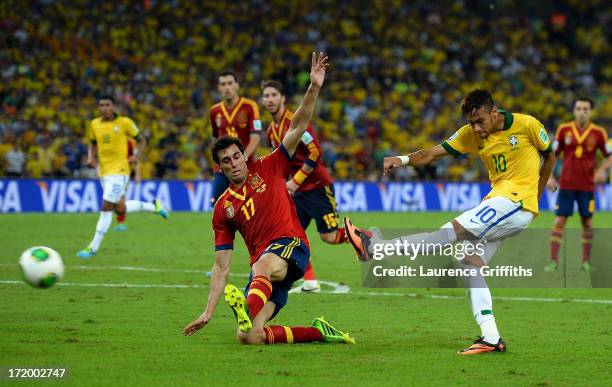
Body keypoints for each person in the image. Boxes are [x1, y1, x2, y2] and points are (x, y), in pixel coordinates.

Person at [344, 89, 556, 355]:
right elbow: (432, 154)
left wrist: (535, 194)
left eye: (480, 121)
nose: (476, 128)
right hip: (501, 203)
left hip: (512, 203)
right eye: (471, 122)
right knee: (470, 264)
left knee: (450, 233)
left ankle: (375, 247)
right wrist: (402, 159)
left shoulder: (527, 124)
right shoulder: (470, 134)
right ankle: (491, 337)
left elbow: (549, 155)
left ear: (494, 112)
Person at [183, 53, 355, 345]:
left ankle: (246, 309)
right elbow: (221, 266)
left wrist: (314, 87)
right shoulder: (223, 208)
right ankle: (319, 332)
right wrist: (207, 312)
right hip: (266, 270)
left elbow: (298, 126)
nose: (234, 162)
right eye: (227, 161)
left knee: (261, 266)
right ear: (221, 167)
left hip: (291, 246)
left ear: (244, 155)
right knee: (248, 336)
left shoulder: (270, 164)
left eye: (237, 155)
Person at [262, 80, 348, 293]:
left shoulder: (295, 121)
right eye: (266, 96)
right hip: (296, 193)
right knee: (290, 234)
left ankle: (364, 238)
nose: (270, 99)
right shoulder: (271, 131)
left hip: (318, 187)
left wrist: (295, 181)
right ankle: (310, 281)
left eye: (274, 95)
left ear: (282, 98)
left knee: (330, 237)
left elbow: (316, 152)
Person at [77, 95, 169, 258]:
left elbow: (142, 140)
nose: (104, 108)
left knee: (106, 207)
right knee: (120, 209)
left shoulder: (124, 123)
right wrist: (91, 157)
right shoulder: (94, 124)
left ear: (113, 106)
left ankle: (93, 247)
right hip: (103, 172)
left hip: (120, 172)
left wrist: (137, 157)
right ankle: (153, 206)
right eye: (101, 105)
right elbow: (92, 142)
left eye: (107, 104)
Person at [545, 98, 611, 272]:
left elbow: (609, 155)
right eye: (579, 108)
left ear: (591, 111)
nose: (582, 111)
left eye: (586, 109)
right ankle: (553, 261)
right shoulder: (564, 130)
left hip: (587, 186)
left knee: (588, 223)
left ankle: (585, 262)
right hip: (566, 185)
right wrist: (549, 176)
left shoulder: (598, 133)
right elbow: (552, 154)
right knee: (559, 221)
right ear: (574, 111)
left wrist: (602, 170)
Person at [209, 70, 262, 204]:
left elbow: (256, 137)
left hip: (246, 167)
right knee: (218, 205)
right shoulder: (215, 111)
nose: (227, 87)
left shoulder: (250, 107)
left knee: (252, 208)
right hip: (223, 168)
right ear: (219, 88)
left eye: (230, 83)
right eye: (223, 84)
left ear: (237, 85)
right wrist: (216, 162)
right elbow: (215, 139)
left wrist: (242, 157)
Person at [114, 137, 141, 232]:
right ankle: (121, 222)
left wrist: (137, 174)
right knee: (116, 198)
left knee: (120, 198)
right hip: (113, 172)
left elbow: (135, 159)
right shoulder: (115, 139)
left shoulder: (130, 142)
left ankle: (121, 223)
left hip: (124, 173)